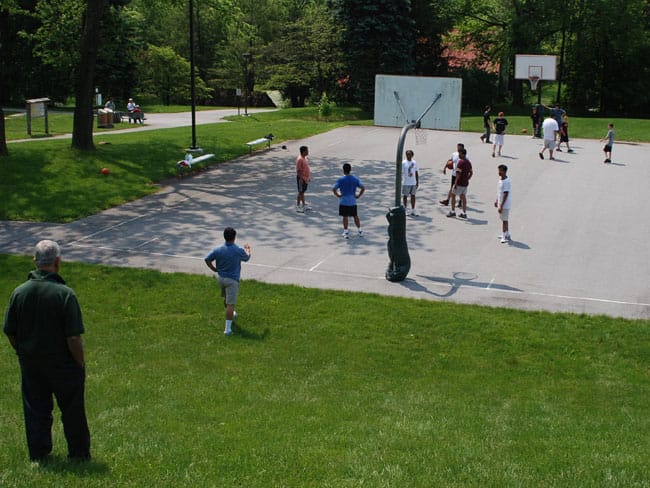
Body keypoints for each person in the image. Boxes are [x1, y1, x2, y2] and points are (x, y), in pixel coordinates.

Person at [3, 240, 91, 462]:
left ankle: (39, 453)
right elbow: (73, 337)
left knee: (36, 409)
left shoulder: (19, 292)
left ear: (35, 261)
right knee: (72, 410)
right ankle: (78, 454)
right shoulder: (65, 294)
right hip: (63, 364)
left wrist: (22, 351)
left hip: (32, 363)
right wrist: (80, 363)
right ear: (58, 262)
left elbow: (10, 330)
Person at [204, 227, 252, 336]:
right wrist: (248, 249)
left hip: (221, 278)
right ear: (234, 237)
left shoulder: (218, 249)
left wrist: (214, 269)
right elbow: (246, 258)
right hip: (232, 280)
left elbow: (207, 259)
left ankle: (231, 315)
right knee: (231, 304)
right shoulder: (238, 250)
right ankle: (227, 330)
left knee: (226, 298)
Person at [332, 163, 365, 239]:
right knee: (355, 216)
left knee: (345, 217)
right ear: (350, 170)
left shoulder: (340, 179)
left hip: (344, 201)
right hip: (353, 201)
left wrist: (338, 195)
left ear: (343, 170)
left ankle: (346, 232)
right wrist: (358, 195)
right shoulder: (355, 179)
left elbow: (334, 189)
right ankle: (360, 231)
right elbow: (363, 187)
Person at [447, 148, 472, 219]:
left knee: (453, 195)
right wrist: (468, 178)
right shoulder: (468, 162)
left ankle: (453, 212)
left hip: (459, 183)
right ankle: (464, 213)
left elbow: (458, 174)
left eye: (460, 154)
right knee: (463, 196)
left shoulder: (461, 162)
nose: (459, 155)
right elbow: (471, 172)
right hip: (465, 183)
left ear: (463, 154)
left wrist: (455, 183)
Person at [439, 142, 465, 207]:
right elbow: (450, 161)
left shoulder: (465, 156)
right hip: (454, 174)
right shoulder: (454, 154)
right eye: (457, 147)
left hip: (461, 175)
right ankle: (447, 201)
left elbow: (466, 165)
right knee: (452, 188)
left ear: (462, 148)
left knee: (460, 189)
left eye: (459, 148)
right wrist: (445, 167)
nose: (458, 149)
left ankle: (460, 201)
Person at [494, 164, 512, 243]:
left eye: (500, 171)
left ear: (504, 171)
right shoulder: (501, 179)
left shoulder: (506, 181)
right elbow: (499, 192)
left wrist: (501, 206)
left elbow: (505, 194)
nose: (499, 172)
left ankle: (504, 236)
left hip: (504, 205)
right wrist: (497, 200)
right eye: (498, 170)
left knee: (504, 220)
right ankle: (506, 233)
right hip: (501, 203)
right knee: (504, 219)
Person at [401, 149, 419, 216]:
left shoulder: (414, 162)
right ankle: (405, 210)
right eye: (407, 154)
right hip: (406, 182)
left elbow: (416, 172)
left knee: (413, 196)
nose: (408, 156)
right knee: (405, 196)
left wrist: (417, 182)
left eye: (409, 154)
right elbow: (401, 172)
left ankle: (413, 210)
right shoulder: (403, 163)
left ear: (412, 155)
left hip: (413, 182)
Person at [295, 146, 311, 213]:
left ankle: (304, 205)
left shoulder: (305, 158)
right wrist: (301, 179)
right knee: (300, 192)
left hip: (305, 178)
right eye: (307, 150)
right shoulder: (300, 159)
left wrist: (308, 177)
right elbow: (298, 171)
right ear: (303, 151)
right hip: (301, 179)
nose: (308, 152)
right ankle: (298, 207)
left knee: (302, 192)